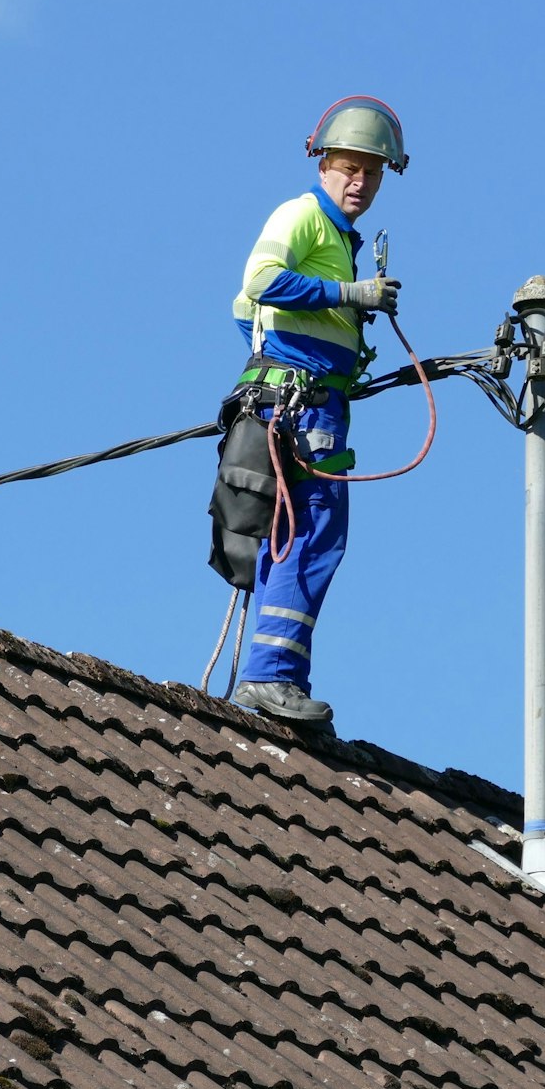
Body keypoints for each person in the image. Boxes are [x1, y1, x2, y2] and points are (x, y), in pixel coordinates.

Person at [222, 96, 409, 730]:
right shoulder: (301, 215)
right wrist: (345, 296)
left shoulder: (339, 236)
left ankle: (281, 679)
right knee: (314, 529)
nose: (360, 182)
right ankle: (271, 678)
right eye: (349, 168)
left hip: (302, 397)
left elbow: (242, 317)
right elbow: (258, 285)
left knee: (292, 533)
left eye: (373, 172)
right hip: (303, 406)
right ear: (323, 164)